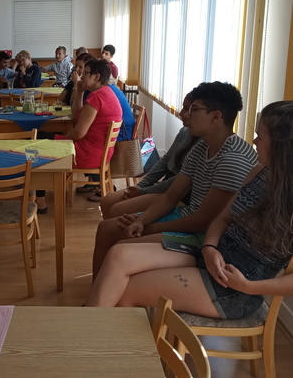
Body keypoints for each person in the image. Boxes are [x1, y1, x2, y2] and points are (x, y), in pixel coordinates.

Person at [86, 100, 293, 320]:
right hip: (210, 255)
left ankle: (90, 331)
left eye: (260, 136)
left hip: (234, 288)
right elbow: (223, 219)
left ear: (282, 145)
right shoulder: (259, 172)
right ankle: (87, 326)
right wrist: (210, 247)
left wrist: (248, 287)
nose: (254, 141)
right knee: (118, 255)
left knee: (124, 292)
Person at [92, 81, 259, 279]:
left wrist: (148, 227)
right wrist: (141, 220)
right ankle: (98, 291)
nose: (186, 114)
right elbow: (171, 196)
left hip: (207, 237)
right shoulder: (202, 146)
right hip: (188, 216)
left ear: (216, 116)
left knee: (121, 246)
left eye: (194, 109)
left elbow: (203, 221)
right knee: (106, 229)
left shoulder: (233, 159)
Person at [35, 59, 122, 213]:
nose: (81, 76)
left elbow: (79, 132)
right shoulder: (106, 93)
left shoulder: (97, 97)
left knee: (39, 139)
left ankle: (40, 200)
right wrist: (79, 91)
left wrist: (62, 141)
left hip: (88, 153)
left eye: (86, 73)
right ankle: (39, 193)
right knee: (46, 136)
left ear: (96, 76)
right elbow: (76, 115)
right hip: (101, 152)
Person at [97, 94, 198, 215]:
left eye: (187, 109)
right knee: (106, 202)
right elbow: (164, 161)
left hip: (178, 194)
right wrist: (141, 185)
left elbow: (178, 183)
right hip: (165, 185)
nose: (181, 113)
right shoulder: (184, 131)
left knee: (117, 210)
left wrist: (144, 191)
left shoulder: (203, 144)